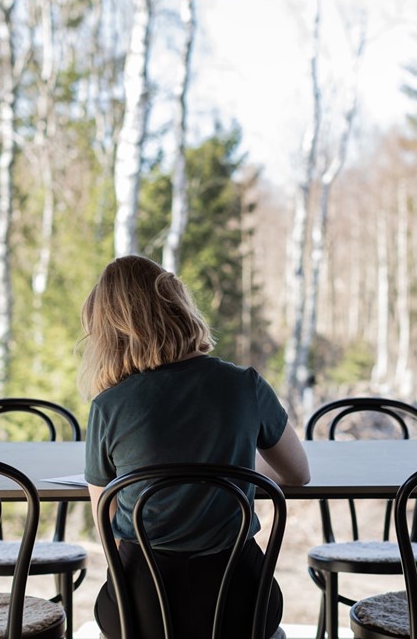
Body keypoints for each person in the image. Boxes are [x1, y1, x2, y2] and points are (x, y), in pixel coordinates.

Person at [80, 255, 310, 639]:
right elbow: (298, 474)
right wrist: (237, 472)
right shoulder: (245, 385)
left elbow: (108, 524)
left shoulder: (109, 405)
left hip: (144, 611)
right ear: (180, 307)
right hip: (242, 602)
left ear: (112, 330)